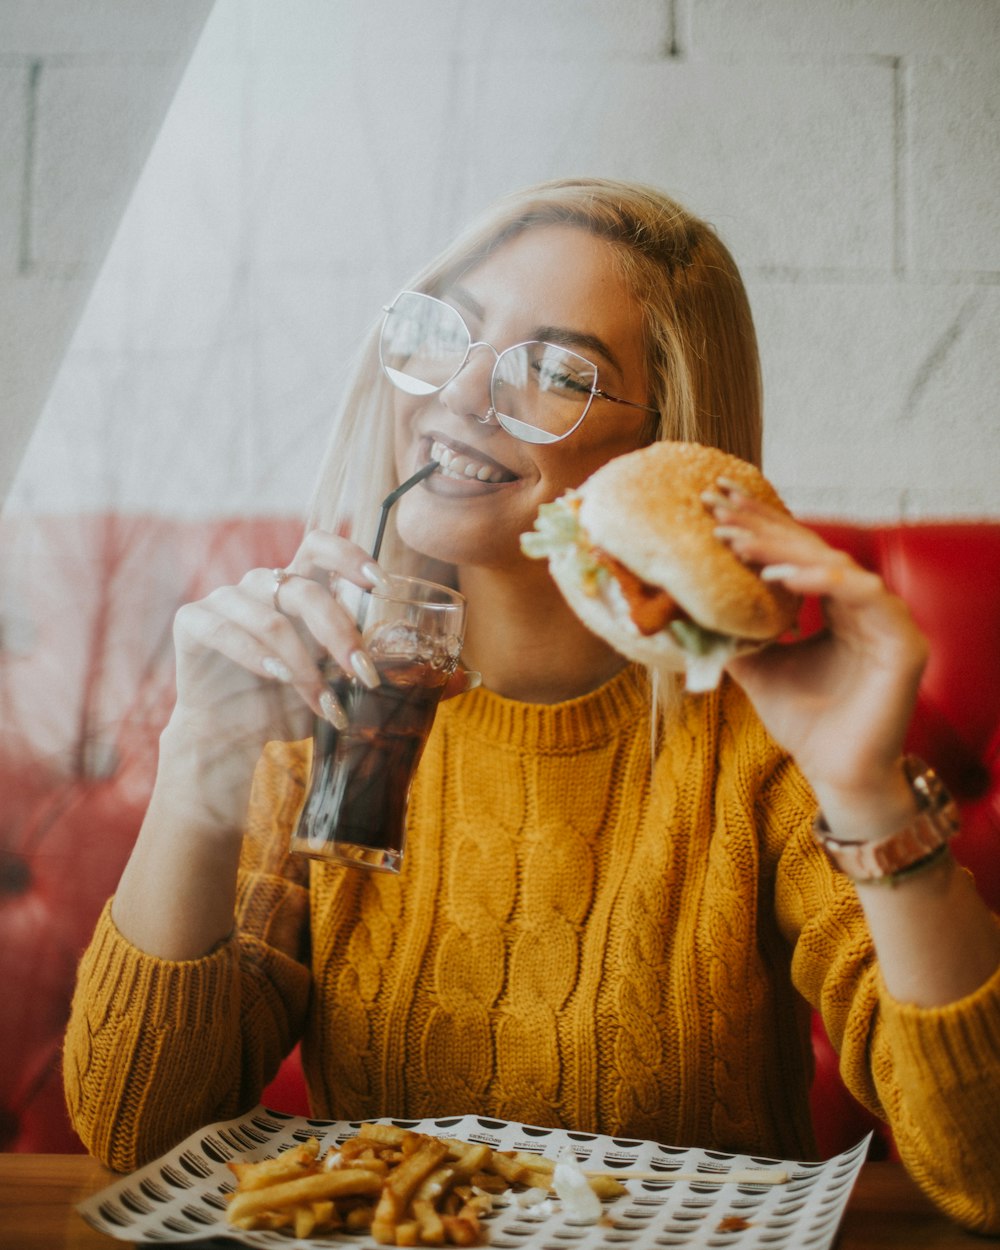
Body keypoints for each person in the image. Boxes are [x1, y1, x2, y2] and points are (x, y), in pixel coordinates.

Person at [63, 178, 1000, 1232]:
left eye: (556, 370)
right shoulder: (323, 695)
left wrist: (869, 793)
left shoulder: (765, 735)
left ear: (665, 442)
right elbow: (134, 1127)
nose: (458, 393)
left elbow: (985, 1169)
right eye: (450, 333)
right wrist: (197, 767)